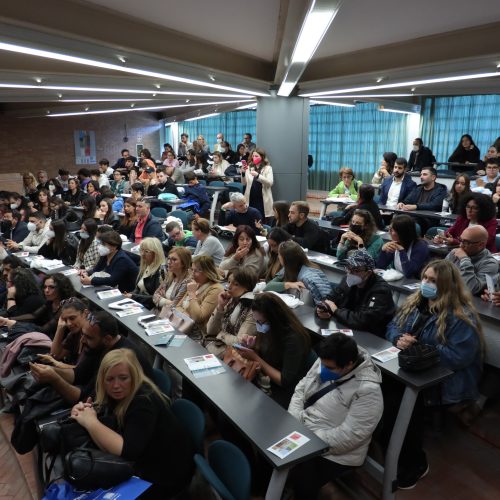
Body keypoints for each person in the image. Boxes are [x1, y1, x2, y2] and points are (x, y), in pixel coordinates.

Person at [385, 260, 483, 488]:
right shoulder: (416, 302)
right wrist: (398, 339)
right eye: (425, 278)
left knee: (398, 404)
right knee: (380, 392)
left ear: (447, 285)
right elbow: (392, 326)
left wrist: (419, 347)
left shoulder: (461, 316)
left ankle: (415, 462)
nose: (426, 283)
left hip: (445, 379)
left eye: (433, 281)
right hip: (411, 367)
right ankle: (388, 446)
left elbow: (458, 357)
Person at [71, 349, 194, 498]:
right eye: (109, 379)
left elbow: (126, 451)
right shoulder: (117, 393)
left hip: (166, 474)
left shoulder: (143, 402)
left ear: (134, 376)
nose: (116, 385)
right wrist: (83, 412)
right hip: (146, 462)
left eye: (123, 378)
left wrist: (91, 422)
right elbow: (99, 413)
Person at [288, 334, 383, 500]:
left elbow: (350, 436)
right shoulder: (327, 359)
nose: (322, 369)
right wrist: (294, 419)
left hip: (336, 452)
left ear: (349, 364)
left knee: (302, 479)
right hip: (305, 429)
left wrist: (309, 440)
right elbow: (301, 388)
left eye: (329, 368)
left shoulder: (368, 391)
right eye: (322, 364)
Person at [30, 311, 153, 405]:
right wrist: (51, 370)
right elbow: (77, 374)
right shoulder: (98, 345)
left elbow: (82, 398)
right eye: (83, 335)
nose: (82, 340)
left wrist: (54, 378)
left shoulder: (118, 360)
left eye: (88, 337)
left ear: (107, 339)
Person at [235, 292, 311, 408]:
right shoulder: (269, 329)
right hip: (267, 380)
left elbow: (284, 381)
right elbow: (266, 354)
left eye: (261, 322)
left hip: (287, 390)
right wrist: (251, 346)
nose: (258, 325)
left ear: (275, 319)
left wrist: (255, 357)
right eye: (256, 321)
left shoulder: (294, 339)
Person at [317, 250, 395, 338]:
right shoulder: (347, 280)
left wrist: (336, 311)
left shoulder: (380, 290)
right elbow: (330, 298)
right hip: (347, 326)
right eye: (348, 268)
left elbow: (365, 320)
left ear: (368, 273)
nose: (350, 273)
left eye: (355, 270)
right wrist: (322, 308)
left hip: (370, 335)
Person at [0, 273, 75, 337]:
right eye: (45, 287)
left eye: (51, 287)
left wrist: (15, 323)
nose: (46, 290)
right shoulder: (50, 302)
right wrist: (8, 319)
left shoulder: (66, 307)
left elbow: (43, 330)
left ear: (61, 288)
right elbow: (33, 316)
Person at [205, 268, 257, 356]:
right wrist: (220, 306)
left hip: (233, 355)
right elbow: (210, 330)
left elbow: (240, 343)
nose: (229, 287)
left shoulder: (252, 309)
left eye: (236, 284)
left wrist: (221, 334)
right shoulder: (229, 300)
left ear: (247, 288)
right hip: (218, 346)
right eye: (229, 282)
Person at [265, 240, 332, 305]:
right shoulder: (287, 269)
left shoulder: (308, 277)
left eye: (279, 255)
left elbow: (324, 303)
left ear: (286, 259)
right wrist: (289, 284)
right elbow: (268, 286)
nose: (278, 257)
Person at [175, 255, 223, 342]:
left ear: (207, 272)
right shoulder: (195, 283)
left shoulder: (216, 289)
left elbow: (198, 317)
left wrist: (192, 294)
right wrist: (186, 315)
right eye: (192, 270)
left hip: (198, 335)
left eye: (196, 271)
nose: (192, 274)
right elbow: (177, 306)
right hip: (181, 325)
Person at [445, 225, 498, 296]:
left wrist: (464, 259)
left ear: (481, 245)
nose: (461, 245)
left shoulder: (490, 264)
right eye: (460, 240)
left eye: (466, 242)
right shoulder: (455, 252)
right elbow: (440, 274)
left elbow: (471, 289)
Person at [124, 237, 166, 308]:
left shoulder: (161, 271)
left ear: (156, 253)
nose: (142, 254)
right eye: (141, 250)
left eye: (146, 251)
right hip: (140, 304)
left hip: (150, 308)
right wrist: (129, 295)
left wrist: (133, 296)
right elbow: (138, 289)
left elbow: (156, 298)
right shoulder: (146, 266)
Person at [153, 247, 192, 313]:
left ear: (183, 263)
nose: (169, 262)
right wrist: (168, 301)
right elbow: (155, 296)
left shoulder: (187, 281)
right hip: (159, 312)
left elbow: (175, 305)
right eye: (168, 258)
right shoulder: (169, 275)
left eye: (174, 259)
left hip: (170, 316)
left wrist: (162, 299)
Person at [242, 148, 274, 219]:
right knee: (250, 218)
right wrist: (243, 173)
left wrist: (258, 176)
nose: (254, 158)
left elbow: (270, 183)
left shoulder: (267, 168)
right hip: (250, 197)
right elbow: (244, 183)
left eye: (256, 156)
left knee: (261, 219)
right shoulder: (249, 167)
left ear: (262, 157)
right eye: (253, 156)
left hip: (262, 198)